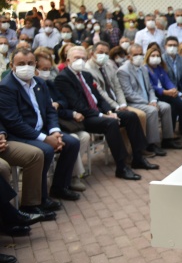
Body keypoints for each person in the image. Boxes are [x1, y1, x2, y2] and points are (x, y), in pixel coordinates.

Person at [55, 46, 158, 180]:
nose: (80, 61)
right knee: (111, 123)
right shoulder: (63, 78)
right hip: (83, 118)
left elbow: (98, 97)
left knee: (131, 116)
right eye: (77, 58)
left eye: (82, 58)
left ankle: (138, 157)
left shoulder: (85, 74)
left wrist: (109, 111)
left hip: (99, 112)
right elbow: (77, 105)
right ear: (68, 60)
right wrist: (102, 115)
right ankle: (121, 167)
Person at [0, 48, 81, 206]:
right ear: (12, 65)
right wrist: (45, 138)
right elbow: (14, 123)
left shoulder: (40, 83)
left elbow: (50, 111)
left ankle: (59, 187)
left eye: (30, 63)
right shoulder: (7, 87)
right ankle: (40, 198)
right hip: (20, 134)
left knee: (72, 143)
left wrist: (55, 131)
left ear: (35, 64)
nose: (27, 67)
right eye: (21, 64)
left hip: (41, 130)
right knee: (46, 149)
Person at [35, 52, 89, 192]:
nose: (46, 72)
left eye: (48, 69)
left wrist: (58, 103)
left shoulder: (48, 84)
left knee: (84, 136)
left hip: (56, 122)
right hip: (44, 127)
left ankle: (70, 175)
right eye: (43, 69)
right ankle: (68, 178)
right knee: (73, 139)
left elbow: (63, 101)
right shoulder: (31, 87)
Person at [117, 43, 182, 153]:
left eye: (141, 54)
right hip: (134, 102)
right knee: (152, 111)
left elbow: (150, 88)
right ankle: (151, 144)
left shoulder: (143, 68)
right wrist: (147, 102)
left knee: (166, 107)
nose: (139, 57)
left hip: (148, 100)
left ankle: (167, 139)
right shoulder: (123, 71)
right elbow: (128, 93)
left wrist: (152, 100)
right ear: (129, 56)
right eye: (135, 54)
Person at [84, 42, 149, 141]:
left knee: (139, 115)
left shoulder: (108, 65)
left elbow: (117, 87)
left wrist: (122, 103)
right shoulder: (87, 70)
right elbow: (101, 93)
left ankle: (142, 147)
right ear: (92, 53)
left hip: (118, 103)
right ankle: (136, 148)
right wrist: (117, 106)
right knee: (135, 115)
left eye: (106, 53)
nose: (104, 55)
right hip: (106, 106)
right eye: (101, 52)